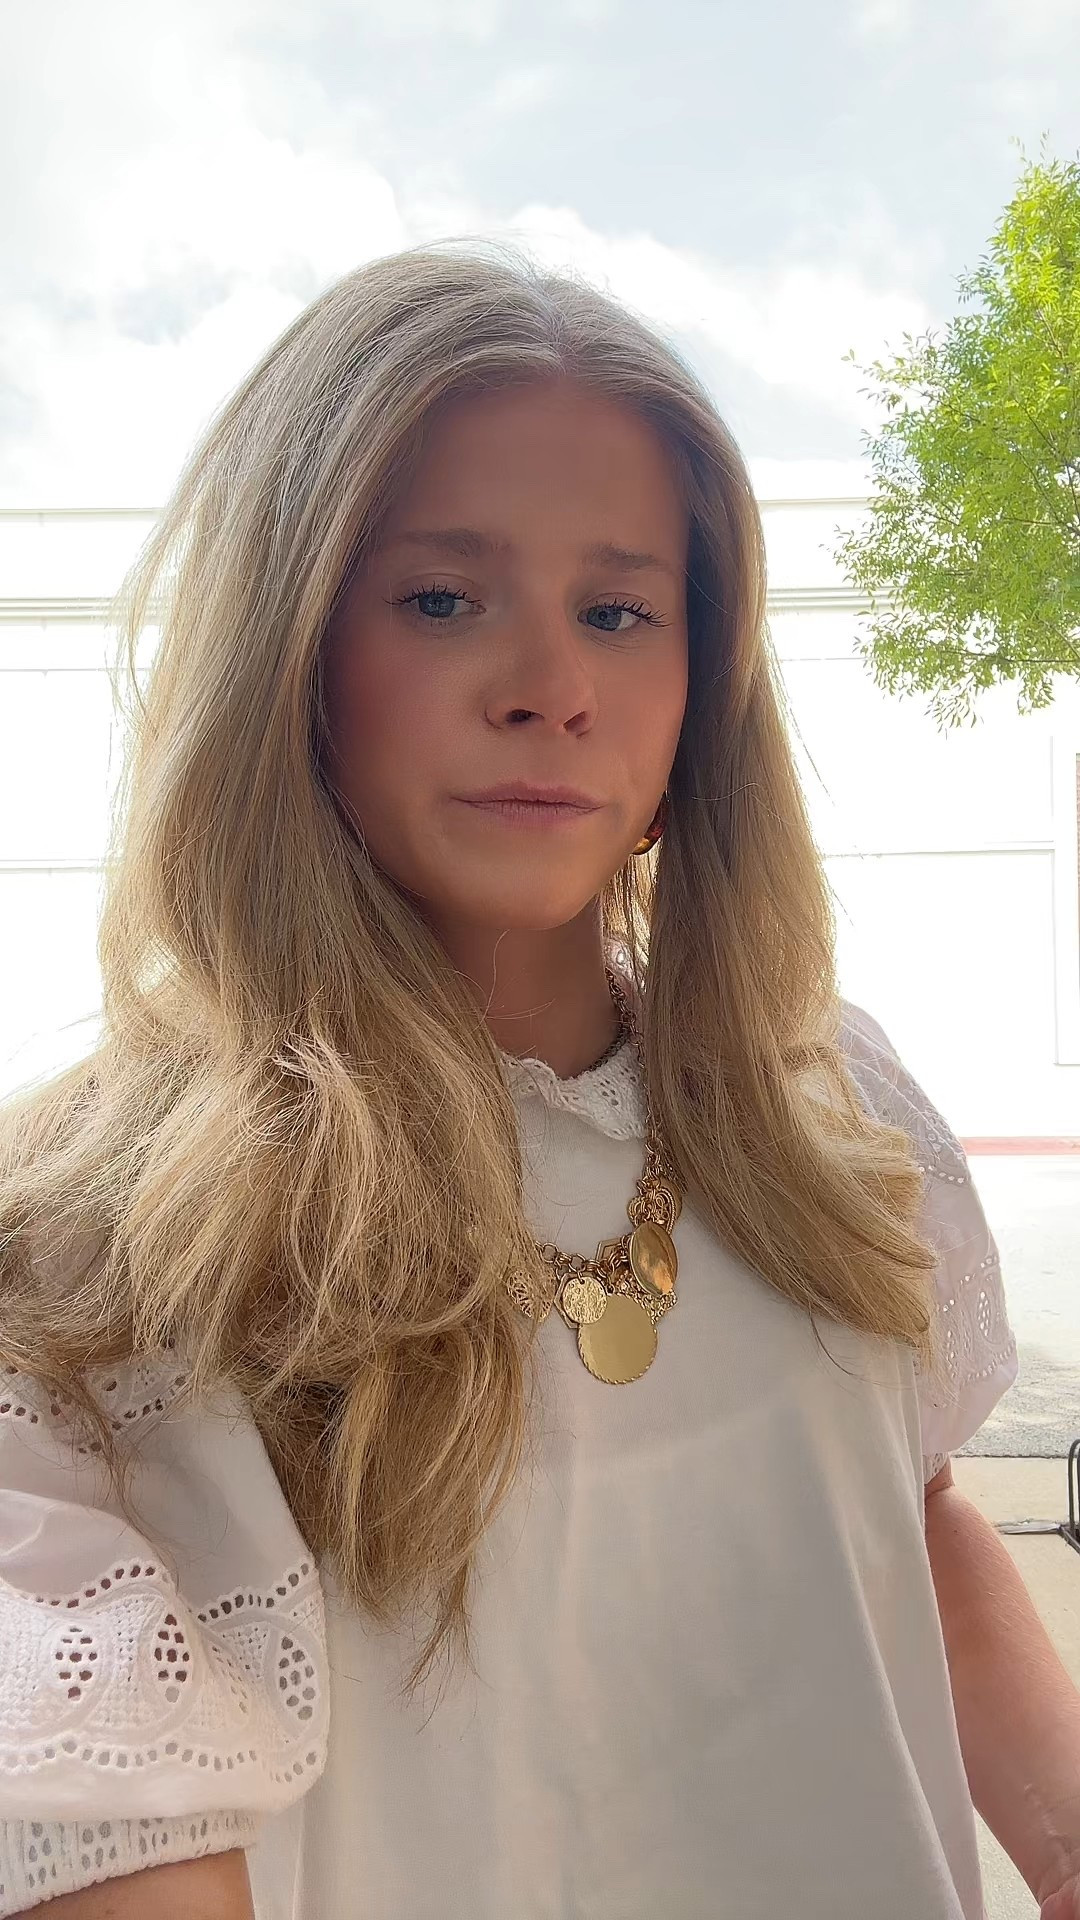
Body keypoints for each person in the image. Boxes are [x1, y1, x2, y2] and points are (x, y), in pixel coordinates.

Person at [1, 240, 1058, 1920]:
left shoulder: (836, 1110)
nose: (552, 690)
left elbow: (905, 1513)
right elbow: (107, 1824)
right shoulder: (95, 1250)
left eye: (619, 612)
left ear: (699, 692)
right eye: (442, 599)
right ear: (287, 655)